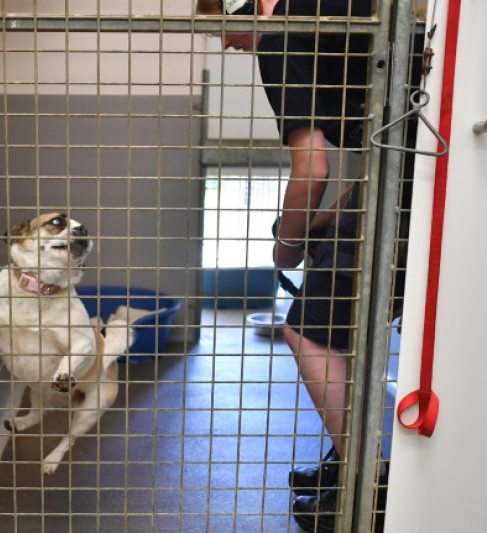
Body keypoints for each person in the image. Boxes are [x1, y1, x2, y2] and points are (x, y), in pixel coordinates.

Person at [196, 1, 422, 531]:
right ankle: (347, 463)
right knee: (349, 330)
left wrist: (288, 245)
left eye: (221, 27)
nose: (225, 42)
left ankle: (368, 488)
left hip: (414, 190)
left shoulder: (280, 36)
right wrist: (326, 219)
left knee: (308, 333)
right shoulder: (338, 12)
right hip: (420, 179)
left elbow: (313, 165)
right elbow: (385, 150)